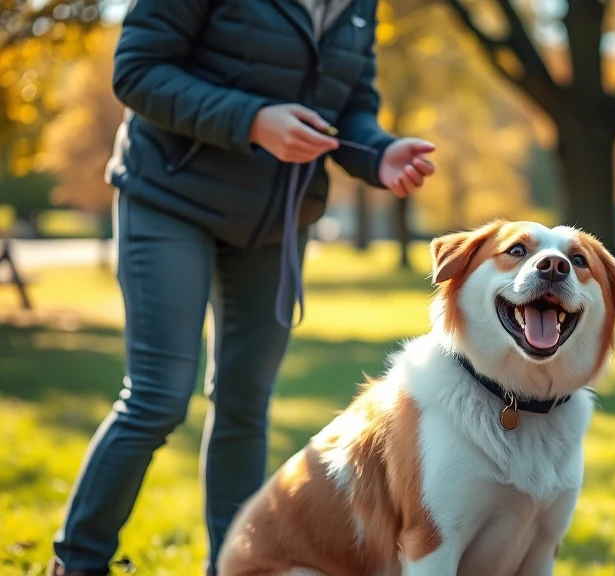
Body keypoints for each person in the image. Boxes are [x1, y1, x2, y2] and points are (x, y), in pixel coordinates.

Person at [47, 0, 435, 574]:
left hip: (274, 223)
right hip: (169, 198)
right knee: (157, 397)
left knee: (244, 404)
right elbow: (138, 71)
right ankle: (78, 562)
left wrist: (377, 152)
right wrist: (252, 120)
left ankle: (232, 567)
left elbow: (349, 106)